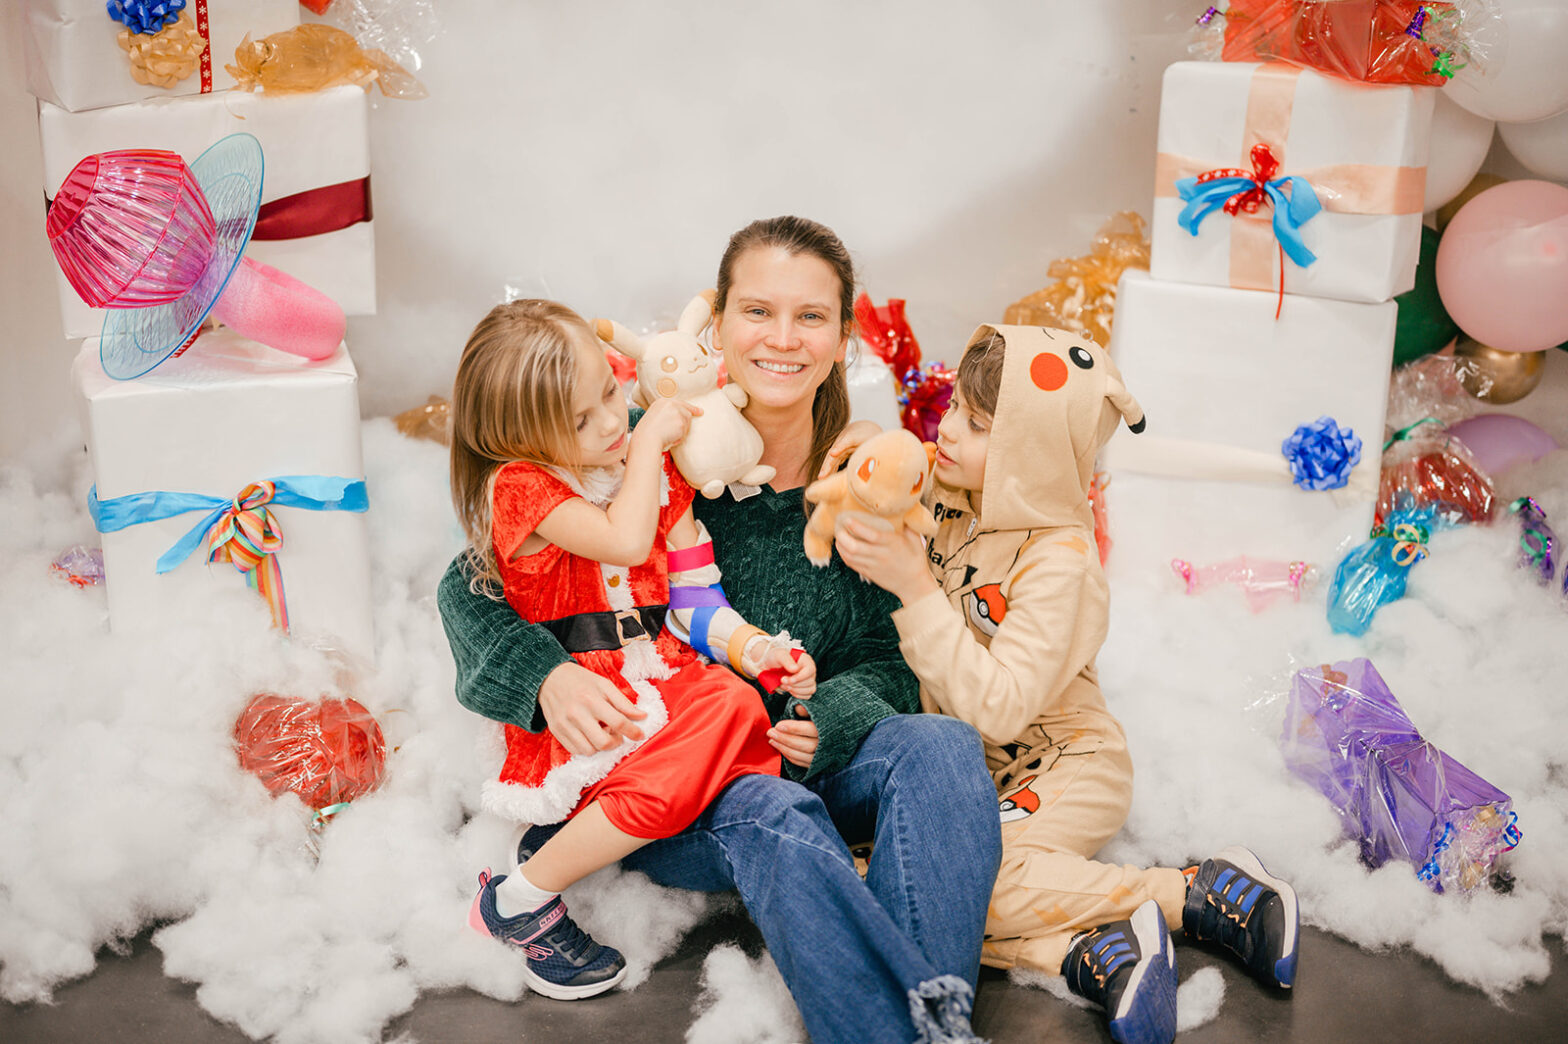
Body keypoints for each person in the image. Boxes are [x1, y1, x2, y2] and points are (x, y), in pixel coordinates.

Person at [438, 217, 1002, 1044]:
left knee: (945, 746)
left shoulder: (864, 484)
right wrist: (545, 677)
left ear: (843, 339)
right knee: (770, 805)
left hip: (802, 753)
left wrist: (836, 715)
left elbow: (889, 657)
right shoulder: (643, 451)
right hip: (683, 782)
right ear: (717, 324)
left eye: (810, 316)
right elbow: (471, 583)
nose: (782, 338)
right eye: (757, 311)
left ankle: (928, 1021)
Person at [834, 325, 1301, 1044]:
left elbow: (1001, 707)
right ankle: (1080, 952)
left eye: (979, 424)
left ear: (1034, 452)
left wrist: (913, 584)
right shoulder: (957, 487)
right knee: (876, 883)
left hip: (1065, 761)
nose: (949, 431)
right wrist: (868, 445)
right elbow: (896, 463)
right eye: (954, 407)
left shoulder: (1062, 562)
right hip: (971, 777)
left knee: (952, 882)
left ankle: (1192, 893)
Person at [448, 298, 817, 1001]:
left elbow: (694, 597)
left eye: (611, 394)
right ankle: (522, 895)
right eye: (583, 420)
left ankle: (563, 852)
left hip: (664, 670)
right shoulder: (519, 486)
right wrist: (649, 444)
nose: (614, 421)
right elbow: (622, 539)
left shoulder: (635, 457)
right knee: (712, 737)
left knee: (741, 707)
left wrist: (755, 646)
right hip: (593, 699)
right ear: (520, 435)